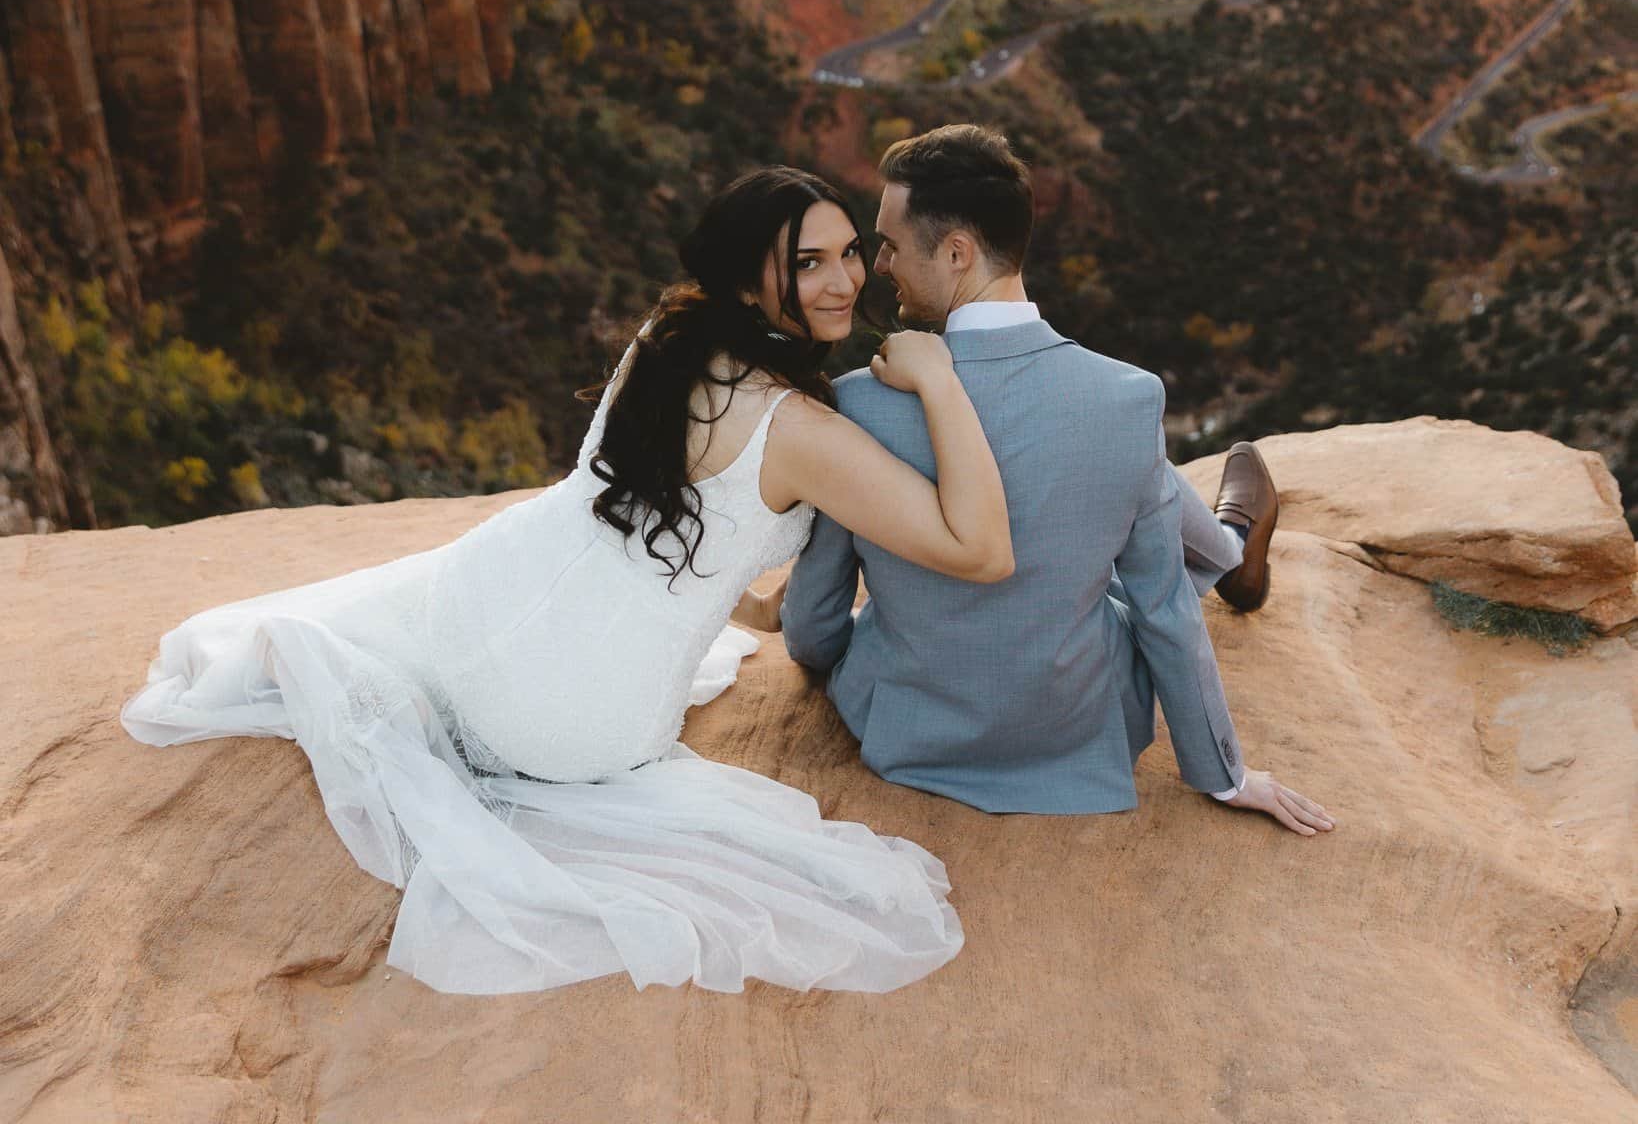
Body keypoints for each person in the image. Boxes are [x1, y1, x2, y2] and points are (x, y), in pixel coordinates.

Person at [121, 168, 1013, 997]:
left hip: (474, 599)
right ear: (749, 284)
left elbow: (653, 514)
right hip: (571, 722)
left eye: (851, 251)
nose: (844, 280)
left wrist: (748, 607)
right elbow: (979, 550)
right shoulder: (800, 430)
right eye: (807, 264)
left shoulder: (668, 337)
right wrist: (938, 382)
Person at [782, 123, 1334, 837]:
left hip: (906, 733)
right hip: (1075, 735)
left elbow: (813, 625)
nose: (877, 265)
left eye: (889, 244)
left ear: (956, 253)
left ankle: (1231, 543)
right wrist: (1222, 775)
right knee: (1108, 467)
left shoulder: (855, 404)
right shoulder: (1129, 396)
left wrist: (828, 659)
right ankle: (1229, 547)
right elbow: (1164, 610)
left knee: (1100, 462)